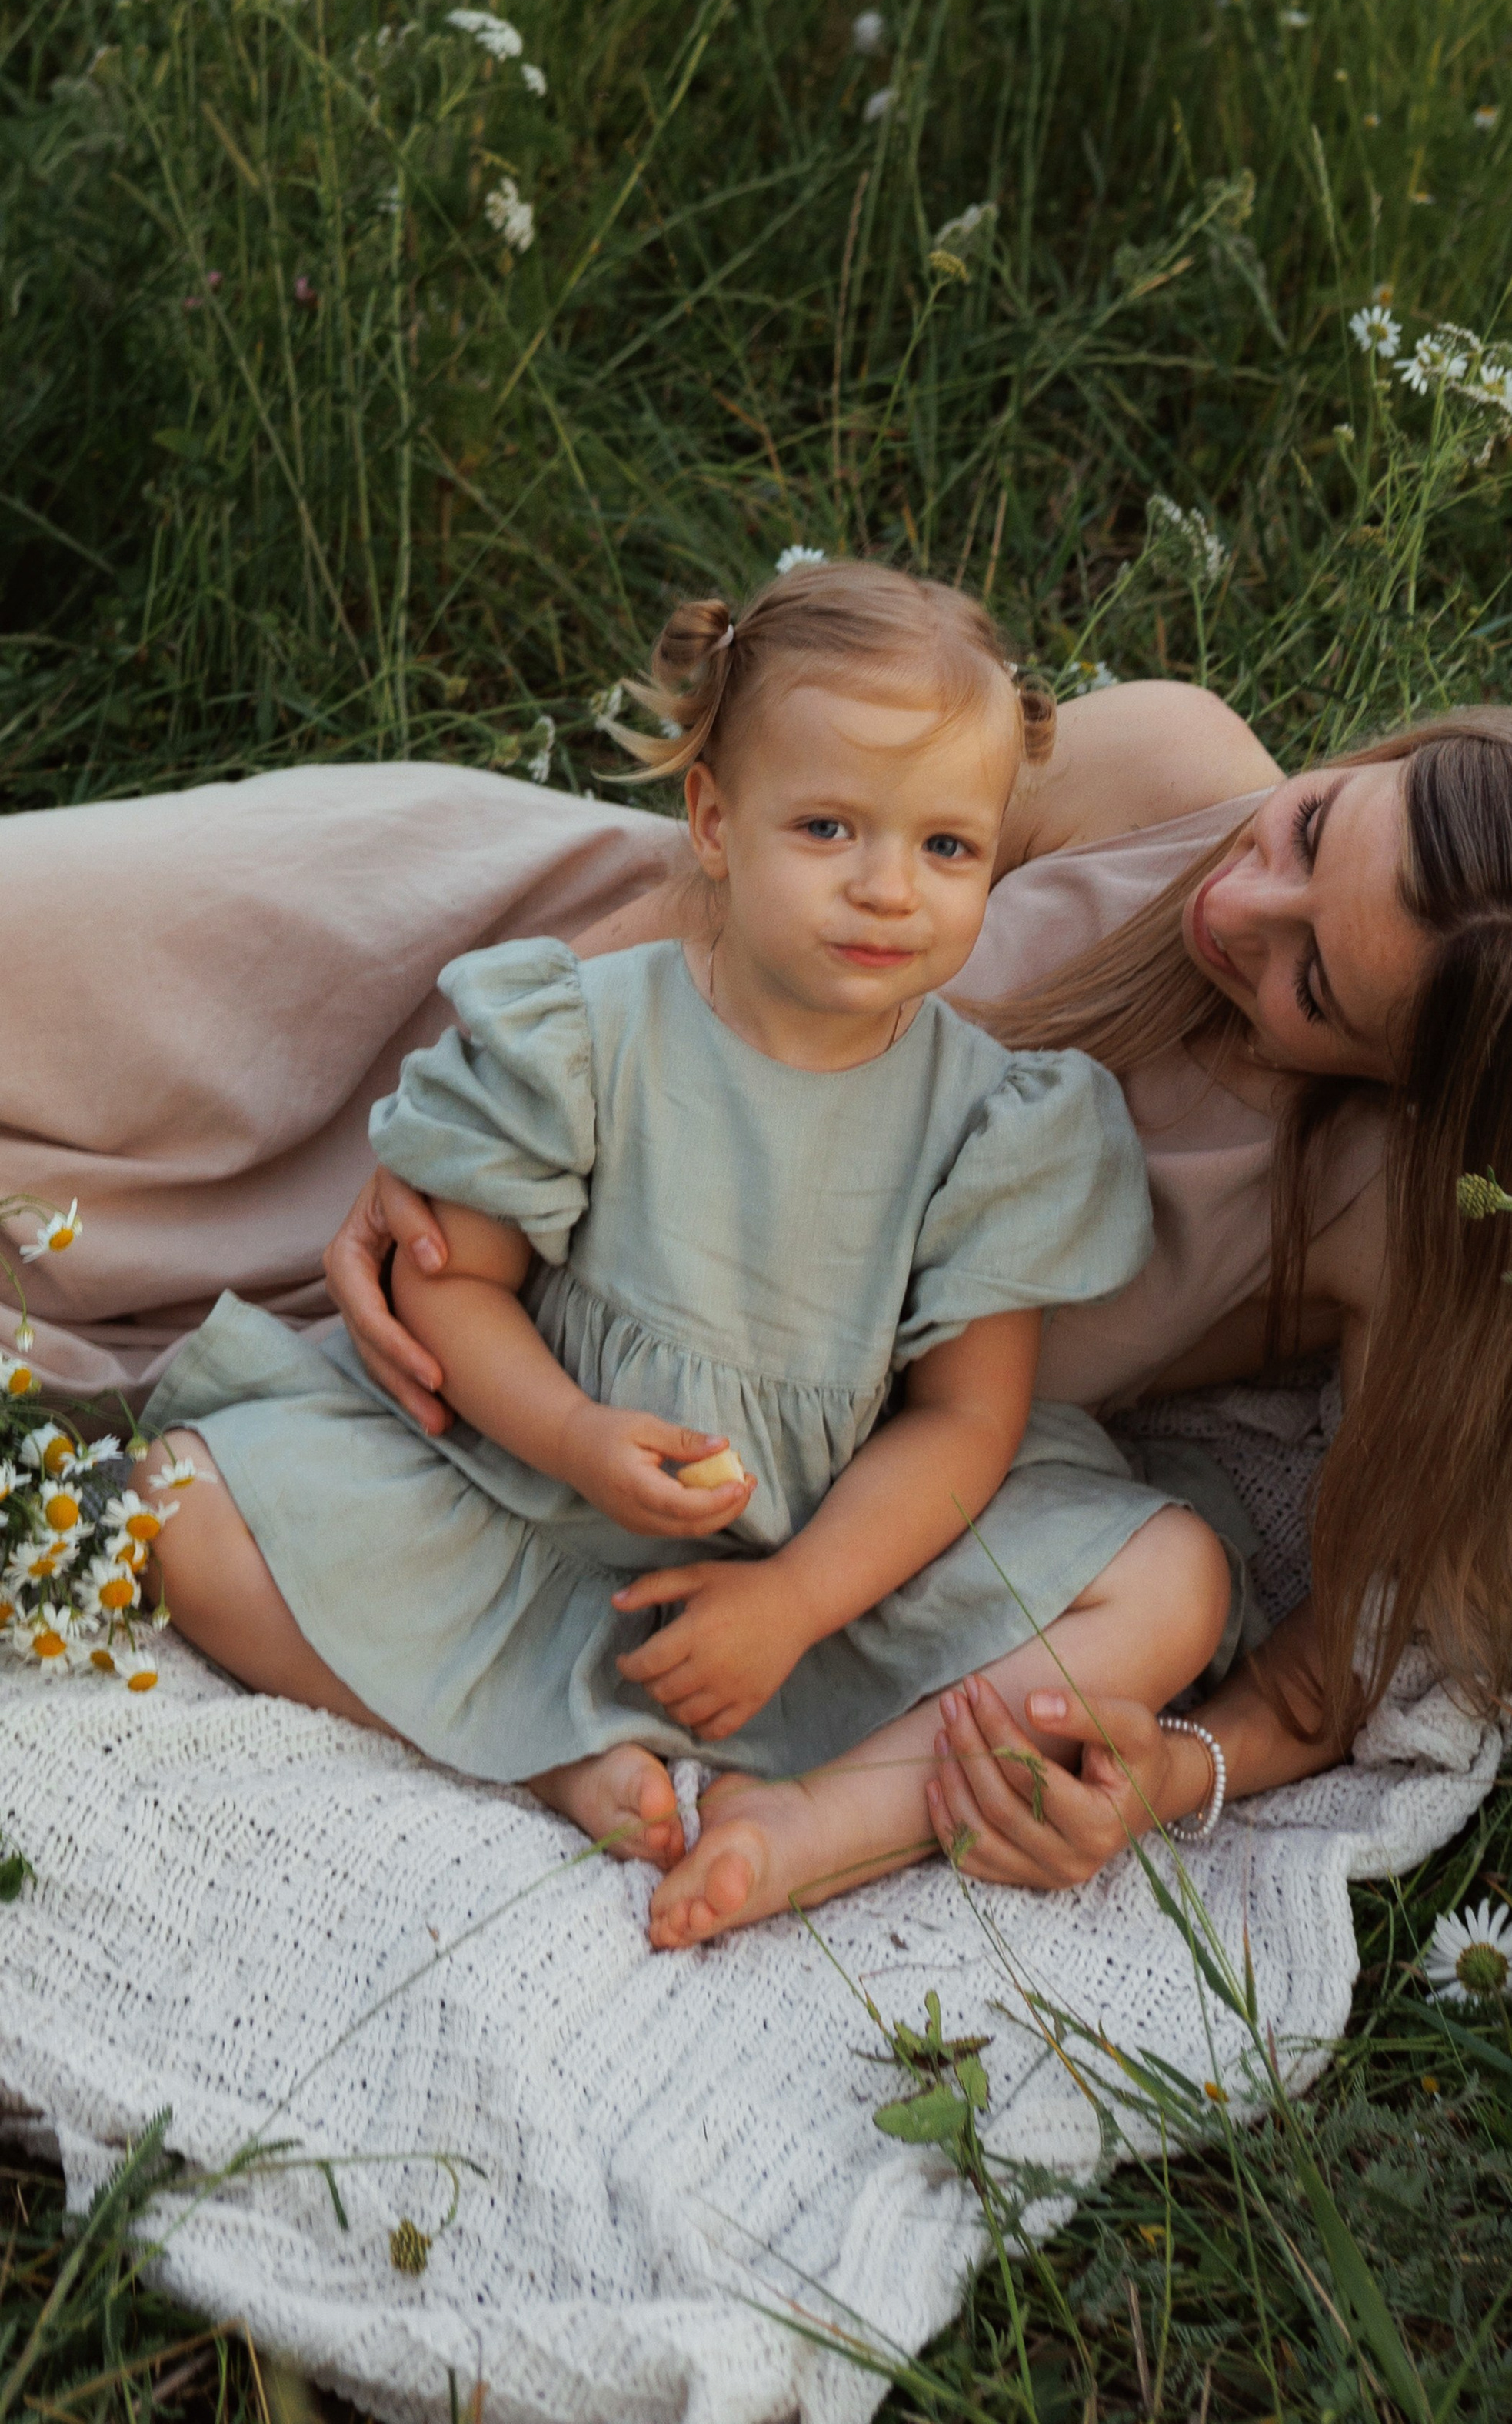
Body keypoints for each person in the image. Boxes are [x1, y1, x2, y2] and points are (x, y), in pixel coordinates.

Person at [3, 652, 1512, 1913]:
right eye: (1309, 832)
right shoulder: (1167, 762)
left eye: (1313, 988)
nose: (1241, 914)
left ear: (1412, 1087)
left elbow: (1347, 1654)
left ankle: (753, 1807)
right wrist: (460, 1107)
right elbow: (750, 859)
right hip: (573, 1018)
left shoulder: (1390, 1218)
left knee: (168, 1487)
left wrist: (1174, 1775)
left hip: (738, 1471)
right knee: (69, 941)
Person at [126, 565, 1234, 1943]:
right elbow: (448, 1284)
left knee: (1175, 1579)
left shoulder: (997, 1120)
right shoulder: (584, 1030)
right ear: (714, 820)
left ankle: (824, 1814)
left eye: (948, 849)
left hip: (830, 1562)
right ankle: (556, 1761)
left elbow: (965, 1423)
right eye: (828, 827)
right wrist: (578, 1433)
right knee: (177, 1504)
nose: (889, 889)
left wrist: (791, 1602)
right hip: (523, 1501)